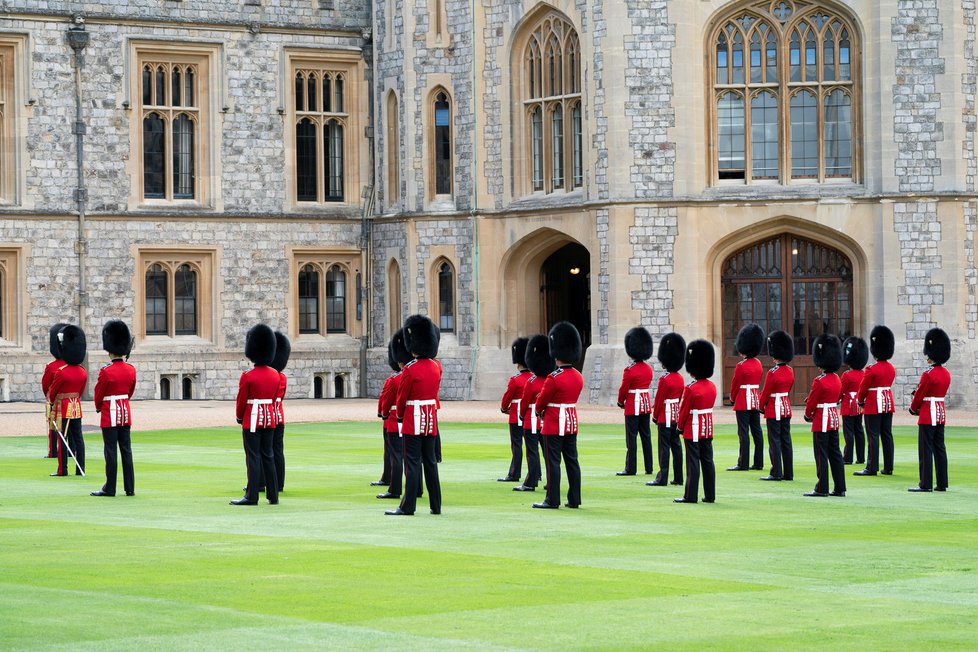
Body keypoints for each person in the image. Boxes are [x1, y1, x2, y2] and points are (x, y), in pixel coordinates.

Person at [387, 314, 442, 516]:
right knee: (430, 462)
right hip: (430, 420)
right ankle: (436, 505)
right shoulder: (437, 367)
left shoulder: (411, 369)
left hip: (413, 419)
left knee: (411, 463)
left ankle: (407, 506)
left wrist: (400, 416)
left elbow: (402, 398)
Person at [533, 321, 584, 509]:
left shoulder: (554, 378)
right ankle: (574, 498)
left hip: (554, 423)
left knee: (553, 463)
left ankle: (552, 499)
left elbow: (541, 402)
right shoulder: (578, 376)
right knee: (572, 461)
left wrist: (539, 412)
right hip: (571, 422)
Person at [231, 324, 280, 506]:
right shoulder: (276, 375)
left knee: (253, 457)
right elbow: (275, 398)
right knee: (268, 456)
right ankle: (273, 495)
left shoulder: (248, 376)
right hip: (269, 420)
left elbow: (241, 400)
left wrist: (239, 416)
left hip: (252, 419)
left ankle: (252, 496)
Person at [91, 320, 136, 497]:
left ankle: (110, 487)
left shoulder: (106, 371)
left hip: (110, 413)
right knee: (126, 449)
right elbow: (130, 391)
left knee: (110, 451)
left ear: (109, 349)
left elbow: (98, 392)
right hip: (124, 412)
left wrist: (98, 407)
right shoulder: (131, 369)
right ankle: (130, 487)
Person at [908, 328, 951, 492]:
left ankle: (925, 484)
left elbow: (920, 394)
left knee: (925, 449)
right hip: (940, 413)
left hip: (927, 414)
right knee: (940, 448)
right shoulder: (946, 373)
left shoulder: (928, 374)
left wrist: (913, 408)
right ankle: (942, 483)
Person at [674, 339, 717, 504]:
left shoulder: (691, 389)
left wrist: (679, 428)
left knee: (693, 463)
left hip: (693, 429)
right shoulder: (712, 386)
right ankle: (710, 495)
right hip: (707, 429)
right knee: (707, 462)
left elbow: (684, 411)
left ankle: (690, 495)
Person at [802, 335, 846, 497]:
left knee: (821, 455)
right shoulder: (837, 378)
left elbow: (812, 402)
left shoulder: (819, 381)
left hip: (821, 420)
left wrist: (808, 415)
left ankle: (822, 488)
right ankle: (840, 487)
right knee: (835, 454)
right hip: (833, 419)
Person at [513, 334, 553, 493]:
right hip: (547, 422)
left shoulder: (532, 382)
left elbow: (524, 403)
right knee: (548, 455)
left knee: (532, 453)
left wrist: (521, 416)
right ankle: (551, 481)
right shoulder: (550, 379)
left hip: (531, 421)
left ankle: (531, 481)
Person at [855, 325, 896, 477]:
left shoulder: (871, 369)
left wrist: (860, 402)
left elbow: (863, 388)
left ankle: (871, 467)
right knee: (887, 434)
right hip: (887, 403)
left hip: (873, 404)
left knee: (873, 435)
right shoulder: (891, 368)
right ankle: (888, 466)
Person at [48, 325, 87, 477]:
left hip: (62, 407)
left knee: (62, 438)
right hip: (76, 406)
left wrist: (51, 403)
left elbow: (53, 391)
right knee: (78, 438)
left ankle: (62, 469)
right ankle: (80, 468)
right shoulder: (82, 371)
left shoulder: (61, 372)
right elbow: (81, 391)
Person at [378, 329, 412, 500]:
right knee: (412, 458)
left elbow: (387, 402)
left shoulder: (395, 379)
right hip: (412, 419)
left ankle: (394, 489)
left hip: (394, 421)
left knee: (395, 457)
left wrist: (384, 414)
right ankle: (416, 488)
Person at [647, 332, 685, 487]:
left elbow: (659, 400)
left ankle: (662, 477)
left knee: (664, 448)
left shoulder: (665, 379)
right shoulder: (680, 378)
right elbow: (681, 396)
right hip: (676, 415)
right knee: (676, 446)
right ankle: (678, 477)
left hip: (665, 416)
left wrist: (655, 416)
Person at [616, 327, 655, 476]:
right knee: (646, 437)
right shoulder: (648, 369)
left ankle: (630, 468)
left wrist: (621, 402)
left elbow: (623, 389)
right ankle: (649, 467)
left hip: (632, 406)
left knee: (631, 439)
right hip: (645, 405)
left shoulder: (630, 370)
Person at [758, 330, 794, 482]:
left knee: (775, 441)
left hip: (774, 409)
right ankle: (788, 472)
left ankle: (776, 472)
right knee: (786, 440)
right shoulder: (790, 371)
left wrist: (761, 406)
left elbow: (766, 392)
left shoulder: (773, 373)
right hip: (785, 407)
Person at [728, 323, 765, 471]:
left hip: (743, 400)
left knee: (743, 432)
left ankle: (743, 463)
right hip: (755, 399)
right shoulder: (758, 363)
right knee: (757, 431)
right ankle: (758, 462)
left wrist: (732, 398)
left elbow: (735, 384)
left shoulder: (741, 366)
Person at [498, 337, 531, 482]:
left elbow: (506, 399)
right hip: (531, 416)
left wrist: (504, 408)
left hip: (516, 414)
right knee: (532, 447)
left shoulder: (516, 380)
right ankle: (536, 473)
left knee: (517, 445)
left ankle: (514, 473)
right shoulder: (534, 378)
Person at [41, 323, 68, 459]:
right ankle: (70, 450)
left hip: (54, 400)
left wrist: (50, 397)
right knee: (70, 427)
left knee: (53, 427)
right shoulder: (74, 367)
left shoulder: (51, 366)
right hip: (71, 402)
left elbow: (45, 385)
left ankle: (53, 452)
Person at [840, 336, 868, 465]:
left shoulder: (846, 375)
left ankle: (848, 458)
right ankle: (861, 458)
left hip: (848, 406)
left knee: (849, 433)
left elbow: (841, 391)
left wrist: (836, 400)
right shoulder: (864, 374)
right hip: (860, 406)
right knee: (859, 431)